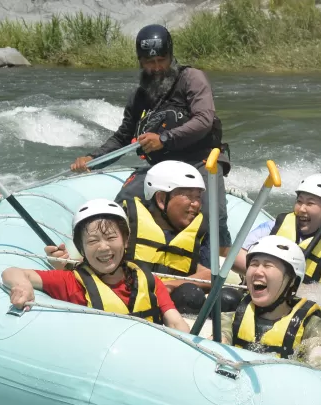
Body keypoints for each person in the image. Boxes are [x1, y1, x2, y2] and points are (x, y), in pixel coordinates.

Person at [70, 23, 232, 252]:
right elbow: (123, 136)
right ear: (141, 62)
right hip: (162, 168)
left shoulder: (191, 79)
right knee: (126, 200)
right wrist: (92, 158)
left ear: (170, 56)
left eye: (161, 61)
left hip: (201, 160)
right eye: (149, 62)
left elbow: (204, 120)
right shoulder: (139, 96)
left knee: (212, 216)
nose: (156, 67)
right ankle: (115, 259)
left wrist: (163, 139)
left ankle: (223, 261)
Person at [47, 161, 241, 315]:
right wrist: (65, 264)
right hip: (128, 298)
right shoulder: (126, 224)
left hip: (174, 305)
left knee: (221, 297)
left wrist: (166, 286)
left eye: (198, 197)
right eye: (188, 197)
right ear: (161, 199)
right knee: (188, 294)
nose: (196, 204)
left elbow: (210, 274)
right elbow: (101, 258)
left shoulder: (198, 231)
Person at [2, 199, 189, 332]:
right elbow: (12, 272)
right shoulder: (71, 283)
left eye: (111, 238)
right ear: (81, 248)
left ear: (125, 241)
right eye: (92, 241)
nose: (103, 247)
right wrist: (23, 286)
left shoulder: (149, 281)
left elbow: (175, 323)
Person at [221, 236, 321, 379]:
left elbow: (319, 353)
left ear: (291, 280)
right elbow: (223, 335)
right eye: (254, 264)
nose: (257, 272)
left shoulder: (309, 322)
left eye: (267, 266)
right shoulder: (236, 309)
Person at [233, 174, 321, 288]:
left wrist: (295, 288)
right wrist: (269, 278)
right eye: (299, 201)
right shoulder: (274, 227)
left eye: (310, 203)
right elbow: (236, 256)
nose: (302, 209)